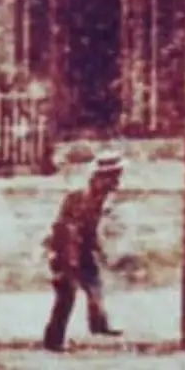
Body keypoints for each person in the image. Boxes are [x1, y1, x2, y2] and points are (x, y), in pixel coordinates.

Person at [43, 149, 126, 351]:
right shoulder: (80, 195)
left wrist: (97, 248)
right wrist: (69, 259)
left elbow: (90, 227)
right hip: (65, 247)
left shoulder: (99, 197)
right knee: (66, 294)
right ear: (101, 177)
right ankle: (53, 340)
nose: (116, 183)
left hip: (83, 247)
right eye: (113, 177)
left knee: (94, 284)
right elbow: (66, 228)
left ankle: (99, 324)